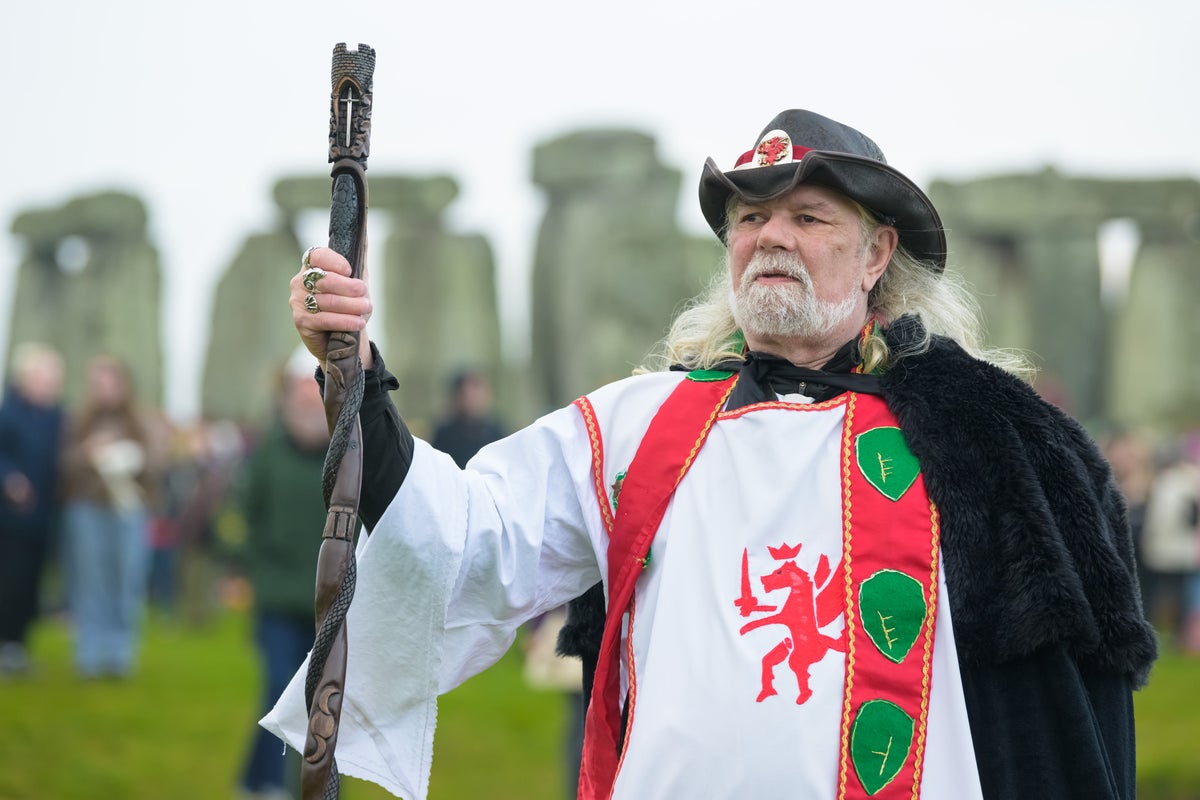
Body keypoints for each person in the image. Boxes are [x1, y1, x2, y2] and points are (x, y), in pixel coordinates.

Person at [266, 110, 1157, 799]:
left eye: (809, 217)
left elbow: (1062, 704)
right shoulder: (638, 424)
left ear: (878, 251)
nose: (771, 236)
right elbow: (467, 535)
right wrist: (359, 376)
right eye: (752, 216)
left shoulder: (986, 441)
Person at [225, 349, 331, 800]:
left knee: (325, 702)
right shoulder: (266, 453)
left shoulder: (348, 454)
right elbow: (235, 518)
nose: (308, 400)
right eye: (301, 390)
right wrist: (247, 564)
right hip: (276, 599)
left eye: (316, 390)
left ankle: (313, 786)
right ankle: (269, 785)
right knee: (279, 691)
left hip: (331, 604)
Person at [60, 354, 166, 679]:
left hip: (130, 512)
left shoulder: (141, 422)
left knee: (126, 579)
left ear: (123, 384)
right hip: (87, 510)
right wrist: (89, 452)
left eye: (109, 382)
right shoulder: (79, 422)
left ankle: (121, 654)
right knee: (90, 579)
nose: (104, 390)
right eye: (98, 383)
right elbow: (64, 465)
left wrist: (128, 456)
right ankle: (89, 654)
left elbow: (156, 464)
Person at [0, 343, 66, 675]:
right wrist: (9, 477)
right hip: (10, 517)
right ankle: (6, 643)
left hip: (44, 516)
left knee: (32, 583)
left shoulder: (57, 415)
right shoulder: (8, 412)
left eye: (53, 378)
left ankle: (19, 644)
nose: (48, 384)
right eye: (42, 377)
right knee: (9, 580)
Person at [430, 368, 505, 468]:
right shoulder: (445, 434)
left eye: (479, 392)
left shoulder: (497, 432)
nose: (476, 398)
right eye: (471, 393)